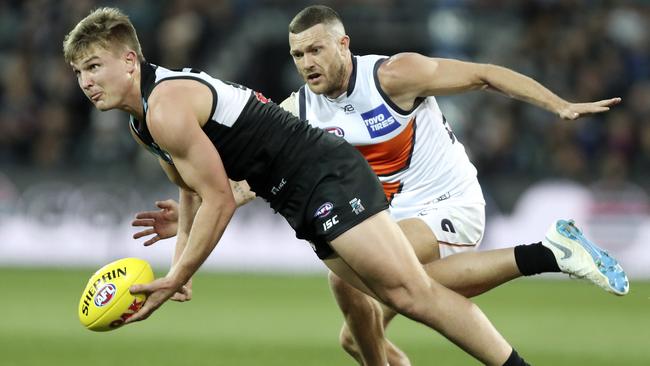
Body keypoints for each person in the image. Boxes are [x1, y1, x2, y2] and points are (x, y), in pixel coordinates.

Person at [130, 5, 629, 366]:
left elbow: (483, 76)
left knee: (367, 281)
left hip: (448, 201)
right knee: (356, 334)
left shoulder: (393, 76)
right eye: (298, 53)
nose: (307, 63)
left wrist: (559, 104)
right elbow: (251, 178)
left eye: (316, 49)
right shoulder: (297, 109)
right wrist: (192, 215)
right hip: (385, 215)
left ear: (343, 44)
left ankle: (548, 252)